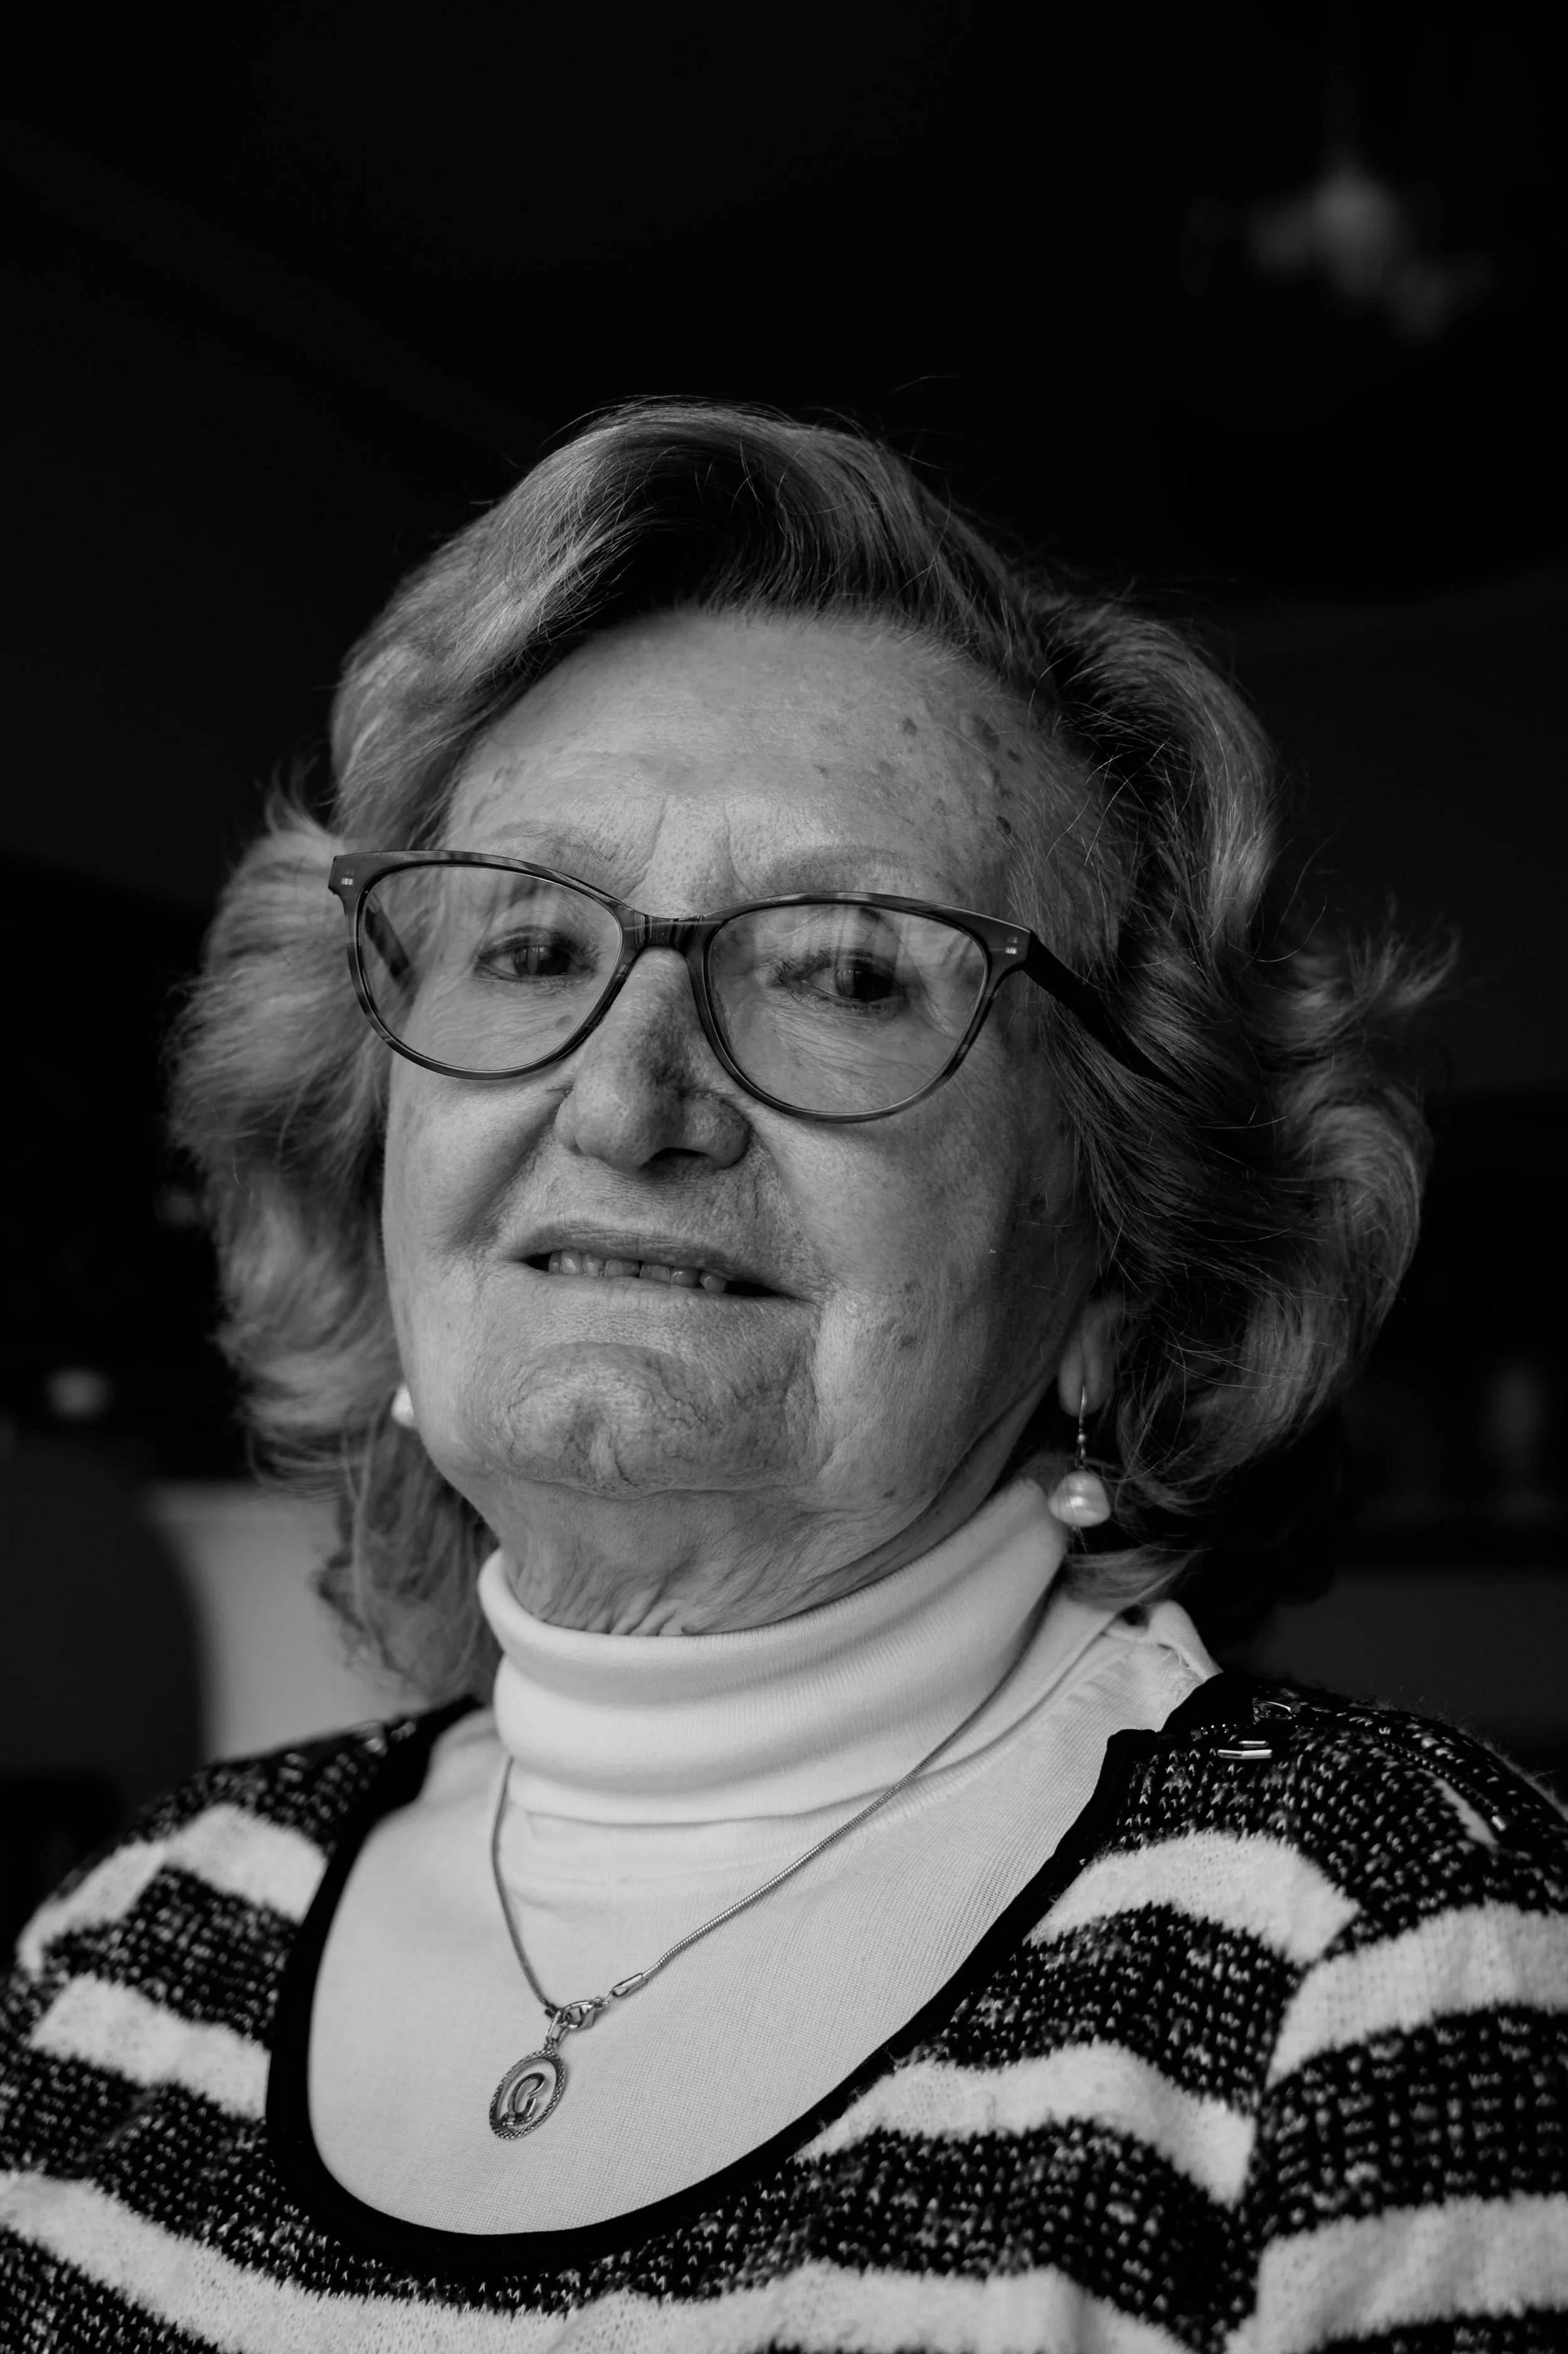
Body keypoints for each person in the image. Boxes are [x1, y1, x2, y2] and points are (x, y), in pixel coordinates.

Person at [3, 400, 1565, 2350]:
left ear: (1123, 1243)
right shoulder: (124, 1949)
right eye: (528, 940)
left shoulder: (1381, 1966)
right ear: (366, 1141)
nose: (627, 1092)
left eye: (843, 968)